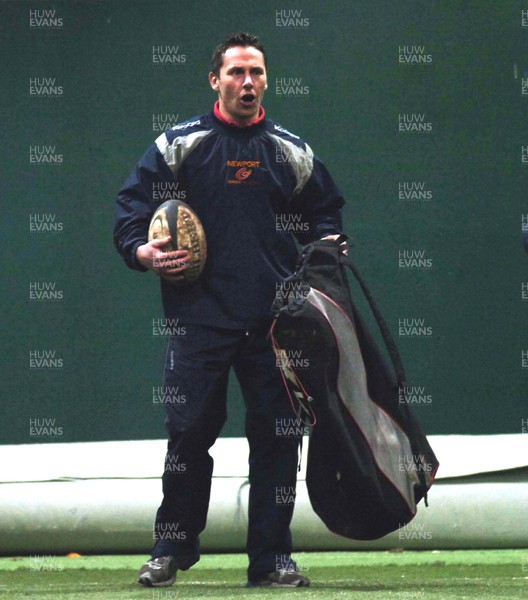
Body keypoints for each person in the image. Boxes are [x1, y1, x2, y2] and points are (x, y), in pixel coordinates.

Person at [114, 32, 345, 588]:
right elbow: (132, 209)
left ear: (266, 81)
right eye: (238, 72)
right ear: (215, 80)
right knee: (189, 433)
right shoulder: (179, 145)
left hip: (275, 324)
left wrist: (326, 249)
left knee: (278, 438)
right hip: (199, 320)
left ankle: (271, 560)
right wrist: (141, 251)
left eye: (258, 73)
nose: (249, 82)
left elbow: (326, 216)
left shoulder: (290, 151)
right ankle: (170, 548)